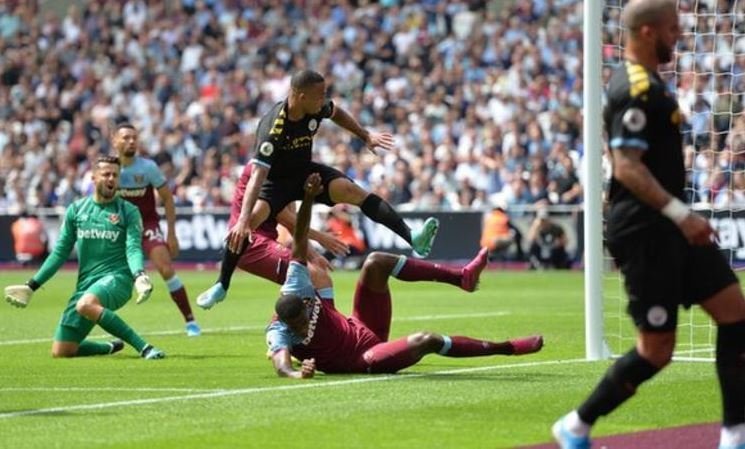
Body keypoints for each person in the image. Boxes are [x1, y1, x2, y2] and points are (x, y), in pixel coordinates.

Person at [552, 2, 745, 448]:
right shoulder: (635, 87)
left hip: (672, 226)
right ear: (644, 32)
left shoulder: (652, 83)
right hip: (646, 230)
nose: (678, 36)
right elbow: (625, 167)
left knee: (735, 314)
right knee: (656, 351)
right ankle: (576, 425)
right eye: (671, 29)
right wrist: (681, 213)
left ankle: (735, 433)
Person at [197, 69, 439, 307]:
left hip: (304, 173)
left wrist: (364, 135)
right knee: (245, 226)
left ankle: (412, 237)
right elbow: (257, 176)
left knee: (353, 191)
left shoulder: (316, 107)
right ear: (301, 97)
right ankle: (222, 284)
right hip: (276, 184)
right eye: (320, 95)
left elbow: (337, 113)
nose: (324, 100)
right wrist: (242, 218)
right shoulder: (273, 129)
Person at [265, 173, 544, 378]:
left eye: (302, 322)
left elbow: (300, 239)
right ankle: (507, 348)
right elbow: (281, 364)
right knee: (427, 340)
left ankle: (462, 277)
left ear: (305, 303)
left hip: (362, 326)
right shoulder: (280, 331)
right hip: (362, 358)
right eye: (298, 330)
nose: (301, 330)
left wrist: (311, 196)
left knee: (375, 262)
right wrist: (297, 374)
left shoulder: (297, 284)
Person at [3, 156, 165, 360]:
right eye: (106, 174)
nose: (111, 179)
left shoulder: (129, 211)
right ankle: (107, 347)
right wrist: (32, 285)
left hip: (118, 279)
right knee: (62, 351)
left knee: (85, 304)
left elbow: (133, 248)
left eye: (115, 175)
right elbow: (60, 253)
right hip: (86, 284)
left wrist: (139, 275)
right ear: (93, 178)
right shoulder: (76, 210)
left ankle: (145, 348)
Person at [196, 162, 349, 310]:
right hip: (250, 243)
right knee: (317, 277)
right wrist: (321, 237)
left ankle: (298, 328)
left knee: (306, 283)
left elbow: (294, 224)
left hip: (260, 242)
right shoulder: (262, 171)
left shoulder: (285, 173)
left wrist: (314, 256)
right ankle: (332, 329)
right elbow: (285, 218)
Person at [114, 123, 201, 337]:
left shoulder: (148, 168)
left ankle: (191, 322)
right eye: (125, 138)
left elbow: (168, 199)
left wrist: (171, 233)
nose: (131, 141)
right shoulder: (109, 169)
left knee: (166, 269)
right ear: (115, 141)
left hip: (147, 226)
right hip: (119, 230)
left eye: (134, 137)